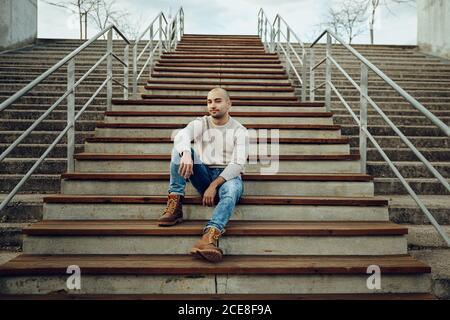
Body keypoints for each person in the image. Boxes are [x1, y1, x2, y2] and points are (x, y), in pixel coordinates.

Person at [158, 87, 249, 263]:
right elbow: (181, 136)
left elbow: (237, 164)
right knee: (180, 148)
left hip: (228, 177)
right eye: (209, 102)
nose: (212, 105)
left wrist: (214, 186)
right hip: (203, 174)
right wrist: (186, 154)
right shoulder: (201, 123)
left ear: (229, 104)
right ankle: (175, 203)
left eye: (217, 101)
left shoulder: (240, 130)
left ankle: (209, 237)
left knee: (231, 192)